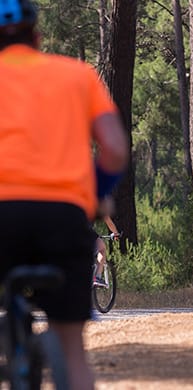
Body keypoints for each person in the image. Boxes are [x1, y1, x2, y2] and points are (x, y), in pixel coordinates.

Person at [0, 1, 129, 389]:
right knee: (72, 350)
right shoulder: (77, 75)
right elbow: (115, 149)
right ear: (37, 36)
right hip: (63, 217)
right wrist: (95, 193)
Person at [93, 215, 120, 287]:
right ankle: (97, 277)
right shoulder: (94, 203)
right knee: (102, 249)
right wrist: (115, 233)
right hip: (83, 231)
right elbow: (107, 220)